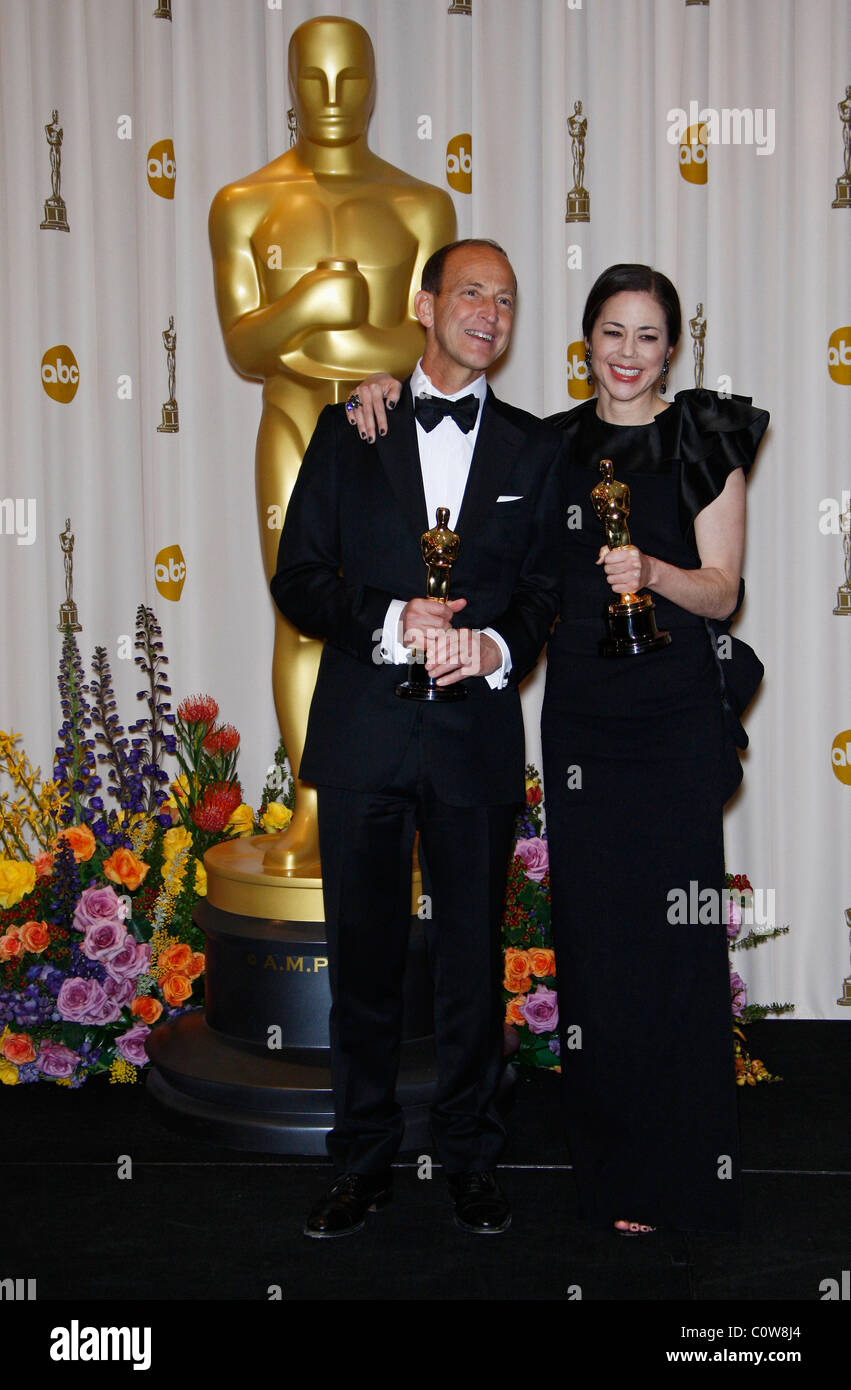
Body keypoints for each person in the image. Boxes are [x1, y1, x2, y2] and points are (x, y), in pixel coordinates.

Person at [345, 262, 768, 1236]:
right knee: (596, 946)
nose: (628, 353)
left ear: (672, 348)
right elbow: (470, 490)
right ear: (585, 342)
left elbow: (721, 590)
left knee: (673, 944)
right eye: (611, 332)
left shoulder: (704, 436)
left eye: (647, 336)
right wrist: (378, 388)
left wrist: (652, 570)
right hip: (580, 718)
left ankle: (684, 1170)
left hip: (670, 717)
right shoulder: (549, 446)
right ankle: (614, 1173)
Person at [270, 239, 564, 1239]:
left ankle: (472, 1158)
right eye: (471, 292)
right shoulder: (351, 425)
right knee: (362, 963)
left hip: (473, 736)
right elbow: (299, 577)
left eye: (507, 300)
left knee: (471, 965)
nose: (490, 312)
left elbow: (542, 593)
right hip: (363, 734)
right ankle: (359, 1162)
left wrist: (492, 645)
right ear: (424, 303)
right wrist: (392, 622)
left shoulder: (534, 446)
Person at [209, 14, 456, 873]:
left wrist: (315, 335)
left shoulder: (421, 204)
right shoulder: (244, 203)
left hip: (393, 436)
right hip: (291, 423)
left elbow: (432, 344)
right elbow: (245, 346)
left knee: (405, 612)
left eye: (348, 78)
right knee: (303, 617)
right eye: (312, 78)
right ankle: (314, 813)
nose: (331, 96)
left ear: (374, 83)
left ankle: (396, 808)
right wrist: (310, 303)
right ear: (289, 83)